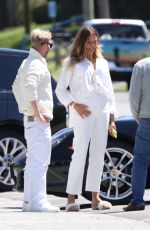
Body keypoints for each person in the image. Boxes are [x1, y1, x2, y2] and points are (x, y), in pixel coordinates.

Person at [56, 26, 117, 211]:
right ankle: (71, 199)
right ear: (81, 42)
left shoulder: (103, 62)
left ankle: (95, 199)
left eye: (94, 41)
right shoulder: (72, 63)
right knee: (80, 154)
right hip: (83, 113)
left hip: (103, 112)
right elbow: (60, 90)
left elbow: (110, 91)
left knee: (98, 155)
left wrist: (112, 118)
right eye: (88, 42)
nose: (92, 45)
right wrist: (74, 104)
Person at [12, 28, 60, 213]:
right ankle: (39, 201)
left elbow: (16, 86)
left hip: (30, 120)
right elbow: (29, 86)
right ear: (43, 45)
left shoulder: (27, 62)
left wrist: (25, 108)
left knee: (33, 161)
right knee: (40, 161)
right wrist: (37, 111)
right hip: (37, 121)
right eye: (50, 44)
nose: (50, 47)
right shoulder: (36, 64)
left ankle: (29, 202)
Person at [123, 57, 150, 211]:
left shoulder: (141, 65)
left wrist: (138, 117)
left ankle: (137, 200)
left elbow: (133, 97)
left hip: (147, 118)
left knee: (140, 161)